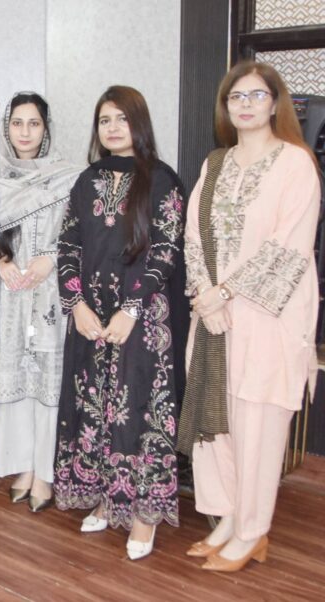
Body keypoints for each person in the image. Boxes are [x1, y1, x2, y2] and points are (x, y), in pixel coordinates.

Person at [180, 61, 320, 572]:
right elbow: (192, 235)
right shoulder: (215, 163)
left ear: (275, 102)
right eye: (236, 97)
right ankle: (228, 517)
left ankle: (252, 530)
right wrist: (204, 294)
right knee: (217, 422)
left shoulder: (296, 163)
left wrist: (224, 293)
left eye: (256, 95)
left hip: (266, 316)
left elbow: (288, 247)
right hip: (213, 317)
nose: (245, 104)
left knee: (257, 423)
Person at [54, 86, 185, 560]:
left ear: (139, 124)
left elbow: (166, 250)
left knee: (139, 410)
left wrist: (131, 309)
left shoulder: (162, 180)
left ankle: (146, 516)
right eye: (104, 120)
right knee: (95, 406)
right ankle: (108, 499)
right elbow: (68, 246)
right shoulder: (87, 180)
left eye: (122, 119)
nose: (112, 128)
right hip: (92, 316)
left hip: (143, 319)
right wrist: (76, 304)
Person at [0, 92, 82, 512]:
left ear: (46, 129)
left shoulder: (69, 178)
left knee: (48, 380)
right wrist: (1, 259)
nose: (25, 132)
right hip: (10, 292)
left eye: (34, 123)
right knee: (17, 377)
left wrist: (53, 259)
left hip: (50, 292)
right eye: (17, 123)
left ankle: (46, 471)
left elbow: (82, 234)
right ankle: (22, 466)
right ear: (6, 129)